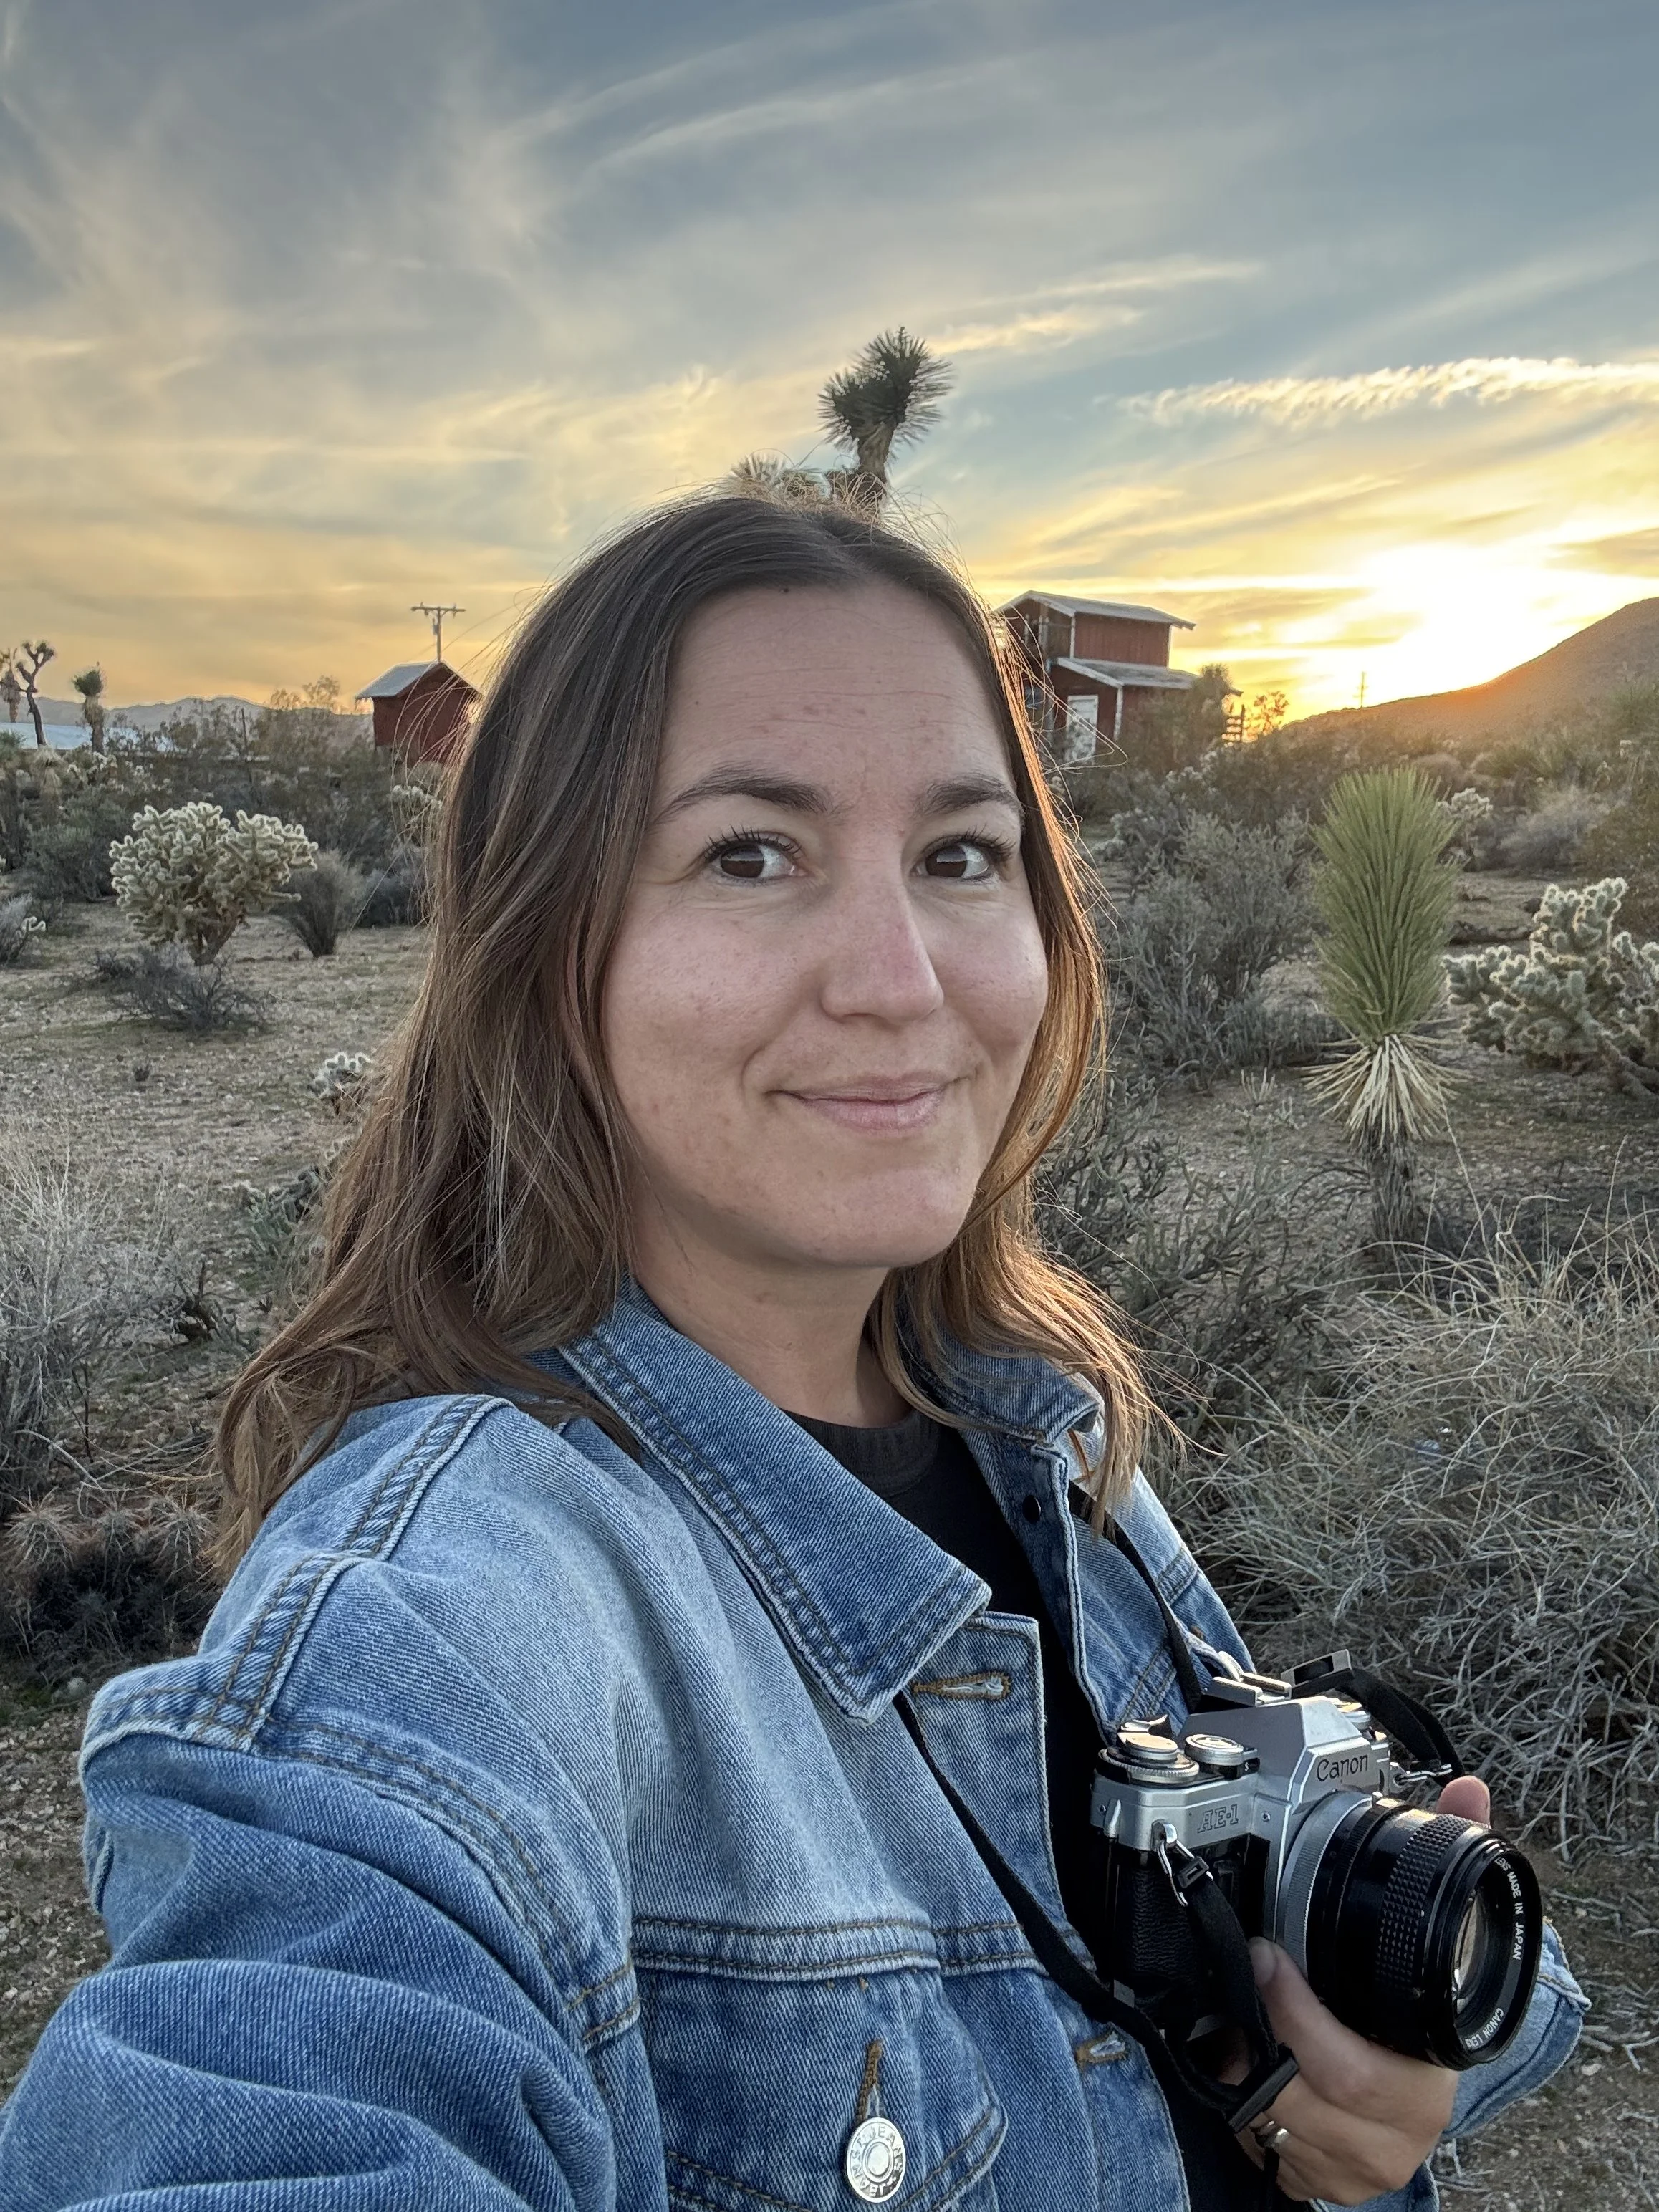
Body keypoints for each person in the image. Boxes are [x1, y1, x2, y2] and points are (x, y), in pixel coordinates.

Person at [0, 497, 1581, 2209]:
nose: (901, 979)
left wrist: (1392, 2057)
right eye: (751, 854)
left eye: (963, 854)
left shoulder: (1034, 1433)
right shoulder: (442, 1614)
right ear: (549, 952)